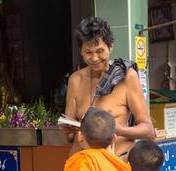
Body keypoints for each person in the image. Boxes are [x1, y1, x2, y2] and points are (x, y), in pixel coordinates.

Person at [63, 17, 154, 157]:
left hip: (117, 162)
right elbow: (69, 136)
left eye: (100, 51)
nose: (94, 58)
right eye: (88, 52)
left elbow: (148, 130)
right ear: (80, 51)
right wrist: (67, 129)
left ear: (110, 47)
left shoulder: (127, 77)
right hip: (83, 166)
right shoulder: (75, 80)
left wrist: (119, 130)